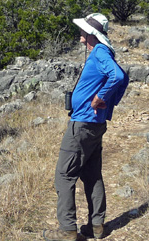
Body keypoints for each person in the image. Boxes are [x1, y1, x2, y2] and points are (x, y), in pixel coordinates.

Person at [44, 13, 128, 241]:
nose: (81, 38)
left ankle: (67, 231)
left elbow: (118, 76)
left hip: (82, 124)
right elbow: (124, 77)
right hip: (94, 124)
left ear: (92, 34)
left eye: (83, 33)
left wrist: (101, 98)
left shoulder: (100, 52)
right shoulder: (104, 52)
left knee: (64, 175)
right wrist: (107, 105)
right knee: (92, 174)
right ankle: (97, 227)